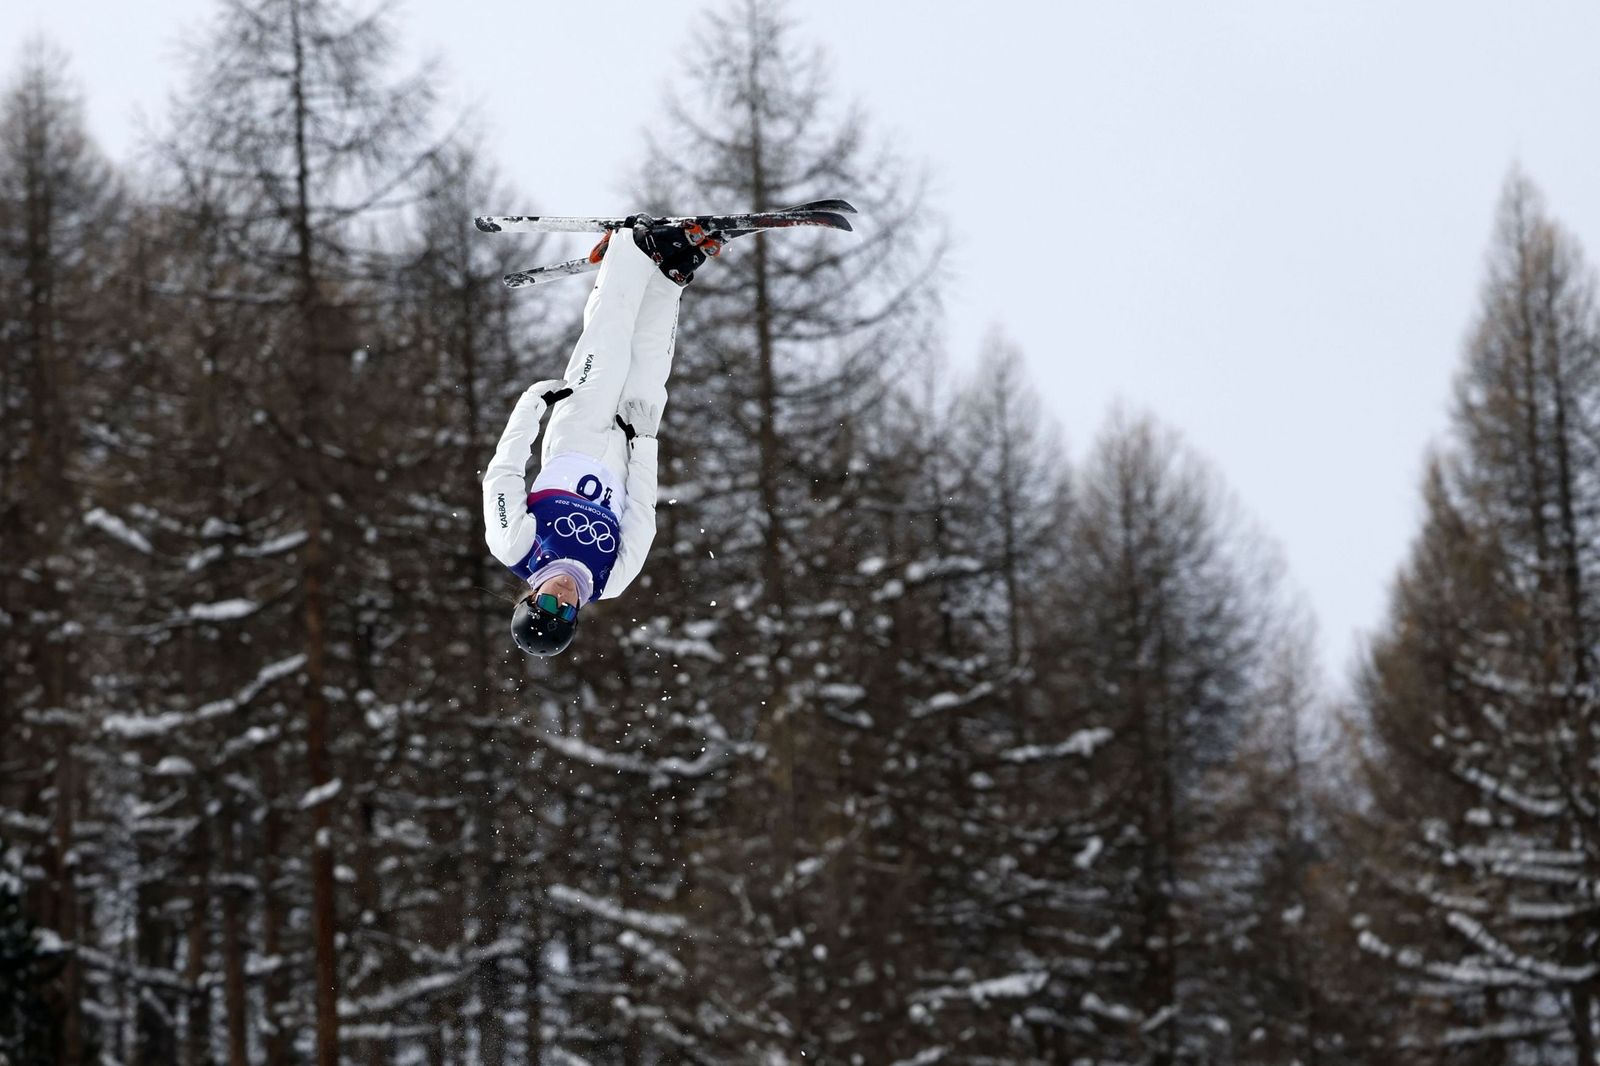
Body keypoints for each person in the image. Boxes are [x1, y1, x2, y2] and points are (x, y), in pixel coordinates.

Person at [481, 217, 719, 656]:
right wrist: (645, 443)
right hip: (624, 455)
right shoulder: (610, 581)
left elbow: (503, 474)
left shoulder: (514, 548)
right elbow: (642, 514)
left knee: (607, 343)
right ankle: (671, 274)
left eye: (550, 602)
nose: (565, 598)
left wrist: (531, 405)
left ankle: (632, 248)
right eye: (568, 612)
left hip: (576, 436)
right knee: (649, 363)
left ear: (530, 597)